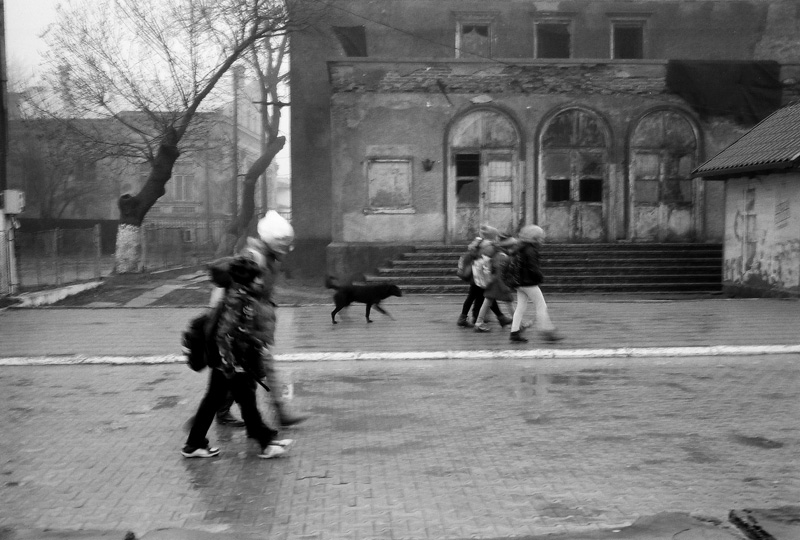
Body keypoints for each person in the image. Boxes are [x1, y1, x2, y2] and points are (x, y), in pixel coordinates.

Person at [182, 211, 306, 458]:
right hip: (233, 350)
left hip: (236, 349)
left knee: (223, 394)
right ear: (249, 278)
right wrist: (231, 358)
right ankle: (264, 440)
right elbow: (225, 323)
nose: (262, 282)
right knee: (244, 395)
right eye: (258, 278)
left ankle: (196, 441)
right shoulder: (239, 294)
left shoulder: (245, 293)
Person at [508, 225, 564, 343]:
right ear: (534, 238)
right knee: (541, 306)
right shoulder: (531, 250)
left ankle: (514, 332)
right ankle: (546, 330)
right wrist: (540, 277)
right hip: (529, 282)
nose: (542, 240)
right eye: (540, 238)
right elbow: (533, 267)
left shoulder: (519, 248)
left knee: (520, 307)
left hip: (519, 282)